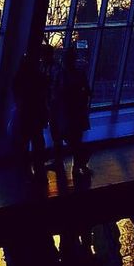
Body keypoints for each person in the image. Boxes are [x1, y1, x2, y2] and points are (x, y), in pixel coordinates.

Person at [50, 45, 92, 177]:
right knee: (73, 138)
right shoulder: (78, 74)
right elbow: (87, 91)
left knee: (62, 137)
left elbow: (55, 91)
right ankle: (78, 162)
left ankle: (62, 162)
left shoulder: (60, 74)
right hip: (73, 111)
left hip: (63, 110)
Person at [12, 49, 51, 177]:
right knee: (37, 139)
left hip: (25, 114)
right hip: (36, 113)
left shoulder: (20, 77)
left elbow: (16, 93)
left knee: (24, 140)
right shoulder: (39, 76)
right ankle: (39, 167)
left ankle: (25, 168)